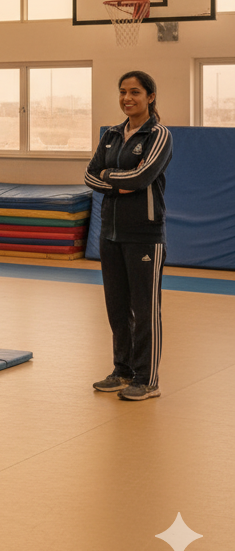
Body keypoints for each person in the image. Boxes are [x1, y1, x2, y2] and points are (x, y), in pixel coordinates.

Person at [84, 70, 172, 402]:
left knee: (145, 308)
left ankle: (147, 378)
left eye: (135, 92)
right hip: (110, 233)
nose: (127, 98)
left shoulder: (159, 135)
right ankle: (121, 371)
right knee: (117, 307)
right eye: (122, 92)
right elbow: (89, 174)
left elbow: (142, 176)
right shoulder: (111, 135)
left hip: (144, 234)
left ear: (150, 97)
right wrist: (115, 180)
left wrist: (112, 178)